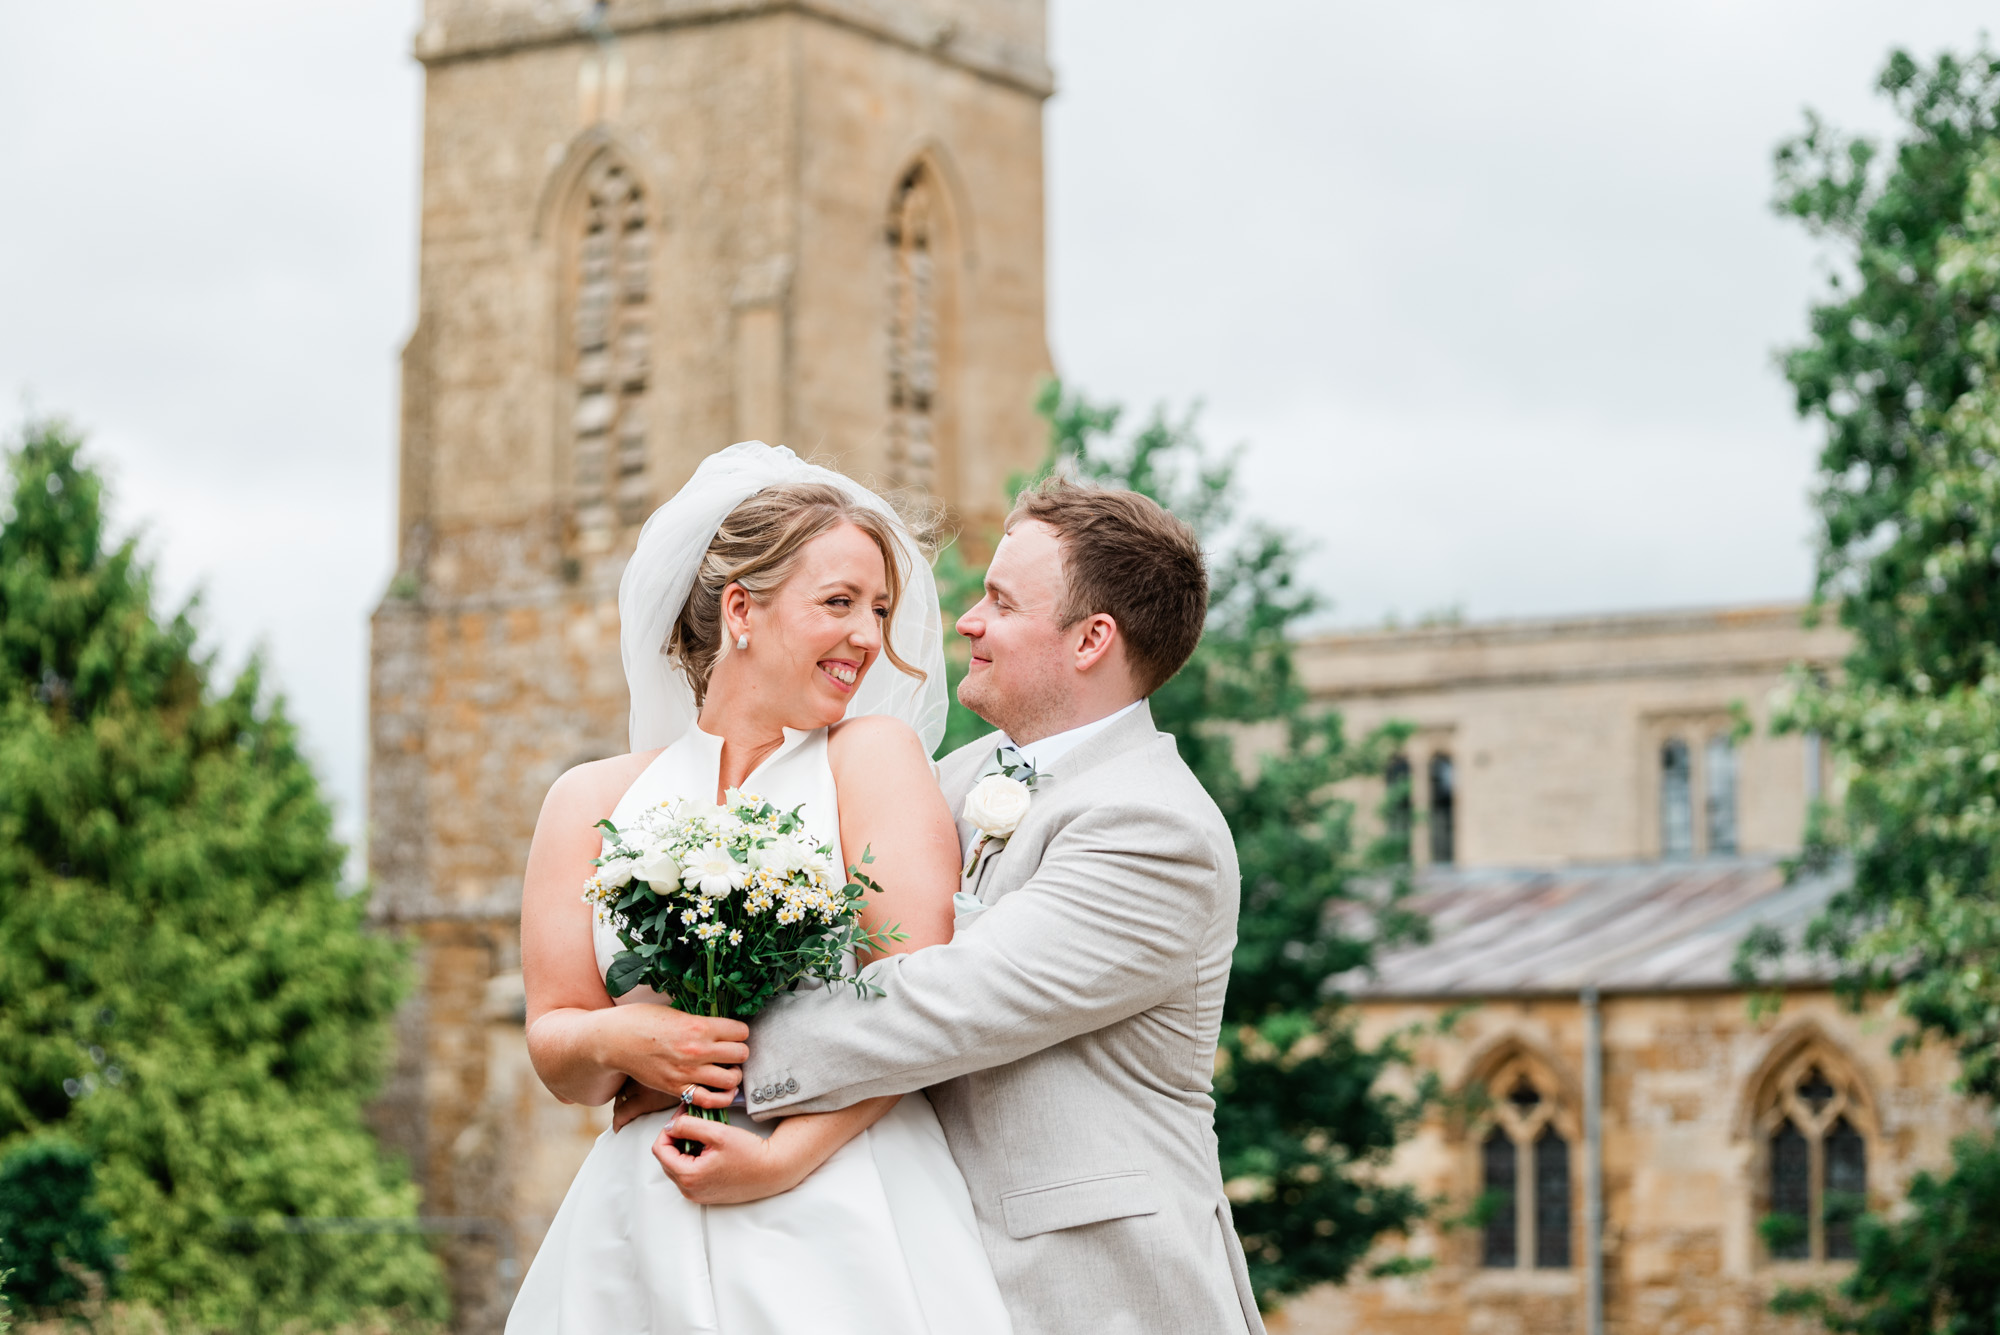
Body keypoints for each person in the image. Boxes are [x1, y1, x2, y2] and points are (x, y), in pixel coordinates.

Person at [647, 474, 1266, 1335]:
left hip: (1094, 1291)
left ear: (1091, 639)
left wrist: (700, 1048)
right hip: (928, 1262)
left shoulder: (1157, 830)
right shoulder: (957, 778)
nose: (967, 620)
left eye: (1002, 602)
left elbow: (945, 1003)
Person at [506, 442, 1013, 1333]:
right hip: (640, 1216)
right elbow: (557, 1044)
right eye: (839, 603)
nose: (869, 636)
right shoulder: (589, 798)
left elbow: (919, 1007)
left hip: (841, 1202)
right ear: (742, 608)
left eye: (881, 608)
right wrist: (626, 1035)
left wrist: (780, 1159)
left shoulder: (874, 759)